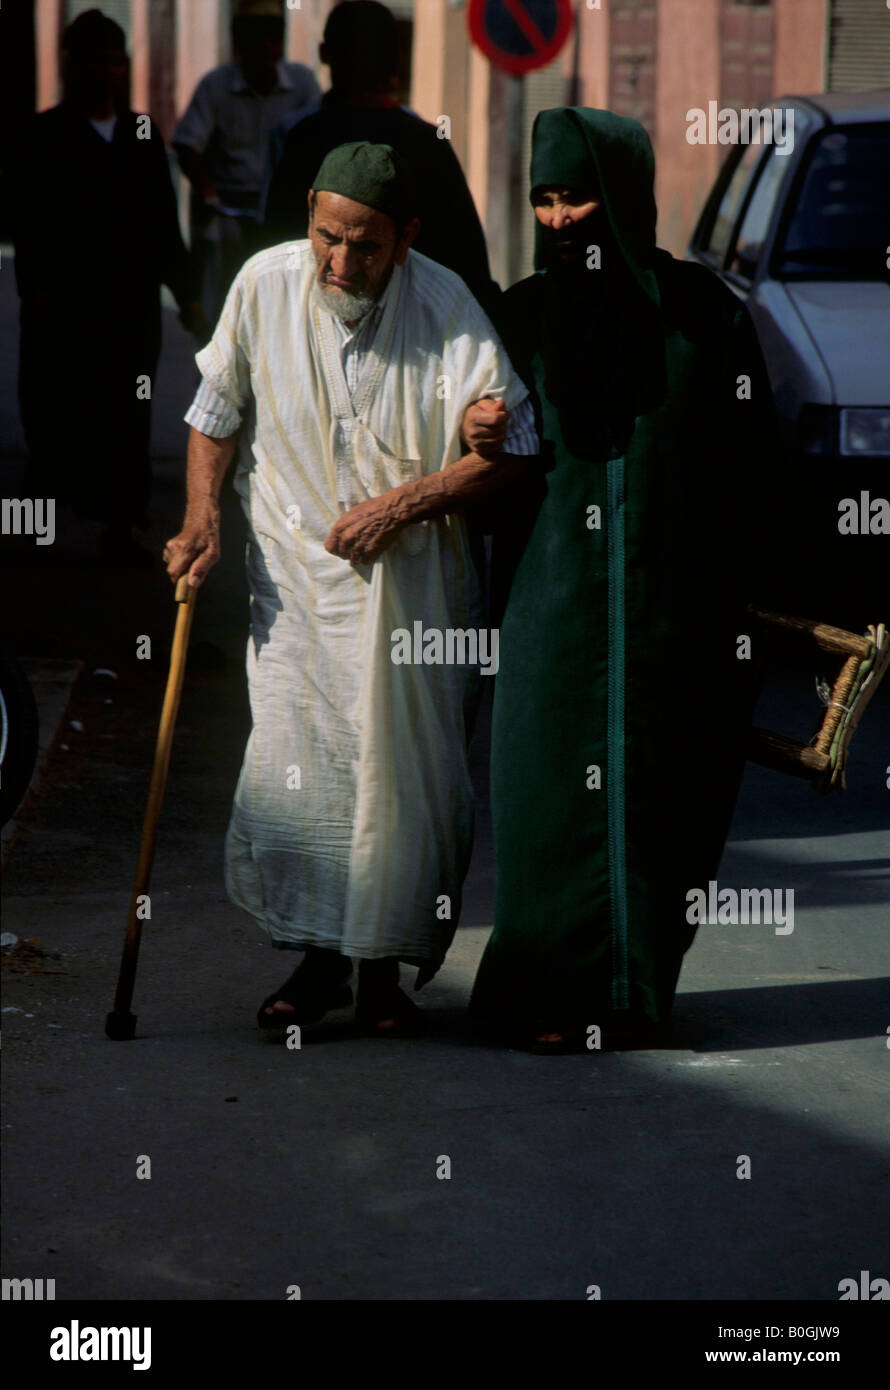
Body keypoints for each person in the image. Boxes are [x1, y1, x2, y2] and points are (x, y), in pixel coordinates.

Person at [163, 142, 538, 1037]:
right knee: (309, 776)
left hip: (412, 595)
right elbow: (216, 411)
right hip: (292, 583)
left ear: (405, 238)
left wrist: (411, 499)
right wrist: (202, 517)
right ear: (308, 216)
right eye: (327, 236)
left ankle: (380, 978)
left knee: (401, 780)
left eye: (364, 246)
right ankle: (322, 963)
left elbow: (514, 453)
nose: (339, 262)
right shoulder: (263, 285)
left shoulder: (448, 307)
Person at [468, 107, 786, 1052]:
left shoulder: (708, 317)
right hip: (548, 612)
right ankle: (544, 996)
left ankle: (634, 996)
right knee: (542, 801)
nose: (562, 218)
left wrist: (748, 612)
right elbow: (480, 447)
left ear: (627, 200)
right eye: (546, 200)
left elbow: (755, 471)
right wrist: (473, 433)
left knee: (668, 803)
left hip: (677, 616)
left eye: (582, 197)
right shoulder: (520, 318)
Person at [11, 8, 203, 566]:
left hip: (128, 311)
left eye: (115, 61)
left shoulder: (141, 136)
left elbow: (165, 225)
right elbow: (27, 223)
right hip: (63, 312)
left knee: (126, 416)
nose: (106, 72)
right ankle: (41, 535)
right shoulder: (45, 134)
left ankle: (121, 527)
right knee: (54, 418)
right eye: (94, 61)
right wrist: (37, 292)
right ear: (73, 66)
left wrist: (187, 293)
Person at [259, 0, 497, 314]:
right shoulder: (428, 142)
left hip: (314, 319)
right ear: (395, 63)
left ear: (325, 54)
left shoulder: (299, 137)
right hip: (412, 329)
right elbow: (467, 264)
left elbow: (272, 248)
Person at [172, 0, 320, 322]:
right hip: (229, 210)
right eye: (255, 39)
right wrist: (209, 192)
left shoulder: (302, 84)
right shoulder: (216, 86)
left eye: (272, 38)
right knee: (222, 292)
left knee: (289, 298)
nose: (265, 47)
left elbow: (318, 139)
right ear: (240, 46)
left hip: (282, 208)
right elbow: (187, 145)